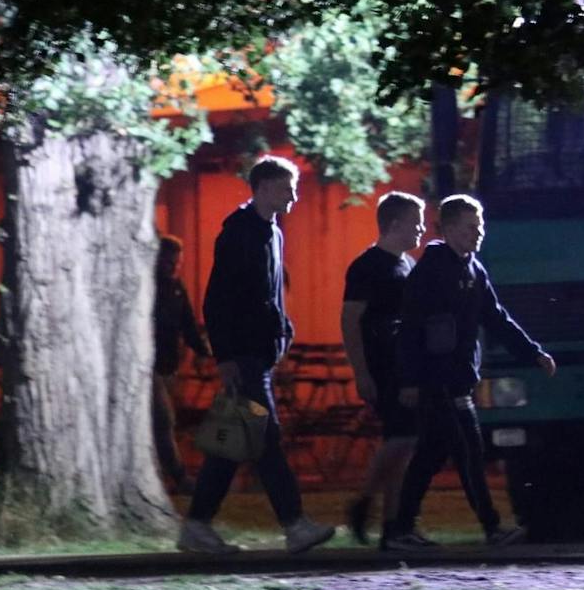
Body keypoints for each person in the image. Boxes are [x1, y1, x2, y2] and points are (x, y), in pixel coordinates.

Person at [176, 155, 336, 555]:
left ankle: (196, 526)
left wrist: (282, 327)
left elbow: (269, 293)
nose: (294, 196)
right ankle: (294, 525)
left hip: (256, 353)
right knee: (266, 439)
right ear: (264, 188)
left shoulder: (271, 232)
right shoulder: (240, 233)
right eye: (287, 188)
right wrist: (225, 354)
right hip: (244, 354)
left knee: (234, 444)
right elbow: (218, 299)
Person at [384, 194, 556, 550]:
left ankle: (399, 530)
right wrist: (411, 379)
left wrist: (532, 353)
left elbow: (495, 317)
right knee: (469, 454)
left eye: (479, 227)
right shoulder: (431, 271)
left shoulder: (473, 269)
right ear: (446, 229)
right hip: (439, 381)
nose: (477, 234)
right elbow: (411, 328)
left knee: (431, 455)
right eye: (469, 227)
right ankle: (492, 528)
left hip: (458, 379)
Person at [340, 191, 426, 544]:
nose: (421, 229)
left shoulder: (408, 264)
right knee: (402, 438)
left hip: (405, 364)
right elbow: (350, 320)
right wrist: (361, 371)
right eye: (415, 222)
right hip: (383, 365)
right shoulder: (367, 266)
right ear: (394, 224)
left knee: (403, 444)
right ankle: (365, 501)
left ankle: (392, 527)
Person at [151, 235, 210, 493]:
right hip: (149, 366)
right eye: (169, 263)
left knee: (158, 422)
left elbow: (187, 323)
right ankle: (178, 476)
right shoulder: (150, 288)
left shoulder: (177, 289)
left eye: (177, 263)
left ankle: (157, 473)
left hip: (169, 365)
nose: (174, 268)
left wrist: (202, 350)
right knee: (164, 419)